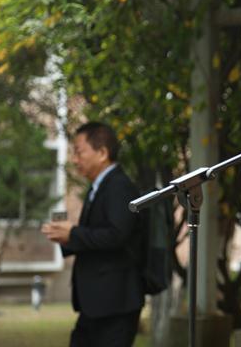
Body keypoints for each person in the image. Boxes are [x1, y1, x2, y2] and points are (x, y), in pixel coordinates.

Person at [42, 122, 144, 347]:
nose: (74, 159)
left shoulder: (118, 186)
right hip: (97, 303)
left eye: (79, 152)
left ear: (102, 153)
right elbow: (99, 234)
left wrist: (73, 233)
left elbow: (117, 235)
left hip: (115, 303)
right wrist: (67, 237)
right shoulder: (99, 186)